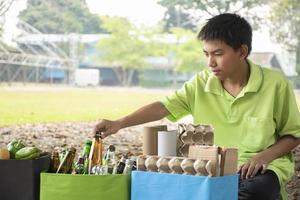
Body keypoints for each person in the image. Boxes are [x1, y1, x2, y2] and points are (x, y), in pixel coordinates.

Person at [94, 13, 300, 200]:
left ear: (242, 51)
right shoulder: (201, 83)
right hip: (211, 166)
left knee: (255, 190)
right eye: (206, 54)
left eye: (218, 54)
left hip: (260, 168)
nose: (210, 62)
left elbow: (293, 135)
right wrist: (119, 123)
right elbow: (163, 107)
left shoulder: (275, 84)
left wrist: (263, 157)